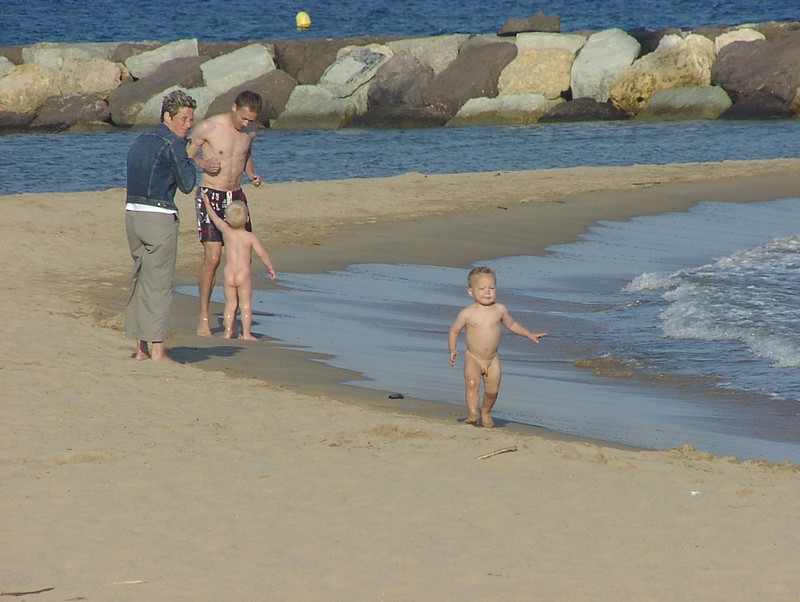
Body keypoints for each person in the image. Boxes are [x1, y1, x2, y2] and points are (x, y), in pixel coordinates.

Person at [124, 89, 198, 364]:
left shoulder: (141, 139)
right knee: (158, 284)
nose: (188, 125)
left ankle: (141, 348)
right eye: (184, 119)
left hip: (132, 214)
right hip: (158, 216)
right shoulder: (173, 143)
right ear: (168, 116)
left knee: (140, 279)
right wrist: (190, 155)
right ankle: (157, 351)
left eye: (191, 119)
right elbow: (188, 184)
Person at [188, 90, 264, 336]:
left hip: (236, 195)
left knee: (244, 255)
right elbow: (187, 155)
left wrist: (251, 173)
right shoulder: (208, 127)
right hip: (211, 193)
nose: (246, 124)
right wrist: (202, 163)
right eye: (243, 118)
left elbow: (246, 154)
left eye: (251, 120)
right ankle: (204, 316)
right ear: (234, 108)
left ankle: (237, 316)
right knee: (213, 257)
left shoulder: (251, 131)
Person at [448, 266, 548, 428]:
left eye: (491, 288)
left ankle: (485, 411)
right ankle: (473, 413)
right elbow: (454, 331)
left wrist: (528, 334)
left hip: (492, 360)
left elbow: (512, 324)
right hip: (473, 357)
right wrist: (452, 349)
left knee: (492, 391)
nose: (487, 292)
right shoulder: (467, 313)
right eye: (482, 289)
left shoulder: (499, 310)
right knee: (472, 382)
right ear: (471, 292)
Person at [200, 194, 276, 339]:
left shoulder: (226, 231)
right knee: (245, 305)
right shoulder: (250, 237)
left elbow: (214, 217)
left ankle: (228, 331)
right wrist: (270, 268)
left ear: (227, 220)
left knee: (230, 304)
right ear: (247, 219)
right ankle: (246, 333)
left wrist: (207, 203)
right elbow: (262, 254)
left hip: (229, 274)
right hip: (243, 274)